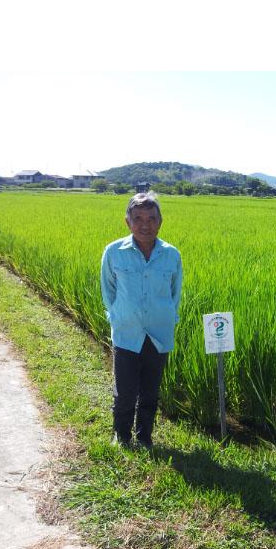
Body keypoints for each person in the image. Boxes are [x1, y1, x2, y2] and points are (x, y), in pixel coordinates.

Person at [100, 192, 182, 448]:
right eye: (138, 218)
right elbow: (108, 292)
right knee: (124, 392)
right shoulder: (114, 252)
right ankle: (121, 436)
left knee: (150, 392)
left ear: (160, 221)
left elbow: (174, 294)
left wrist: (166, 317)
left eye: (151, 218)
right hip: (127, 331)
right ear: (128, 222)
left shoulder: (171, 255)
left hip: (158, 333)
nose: (145, 225)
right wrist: (119, 317)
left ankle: (144, 437)